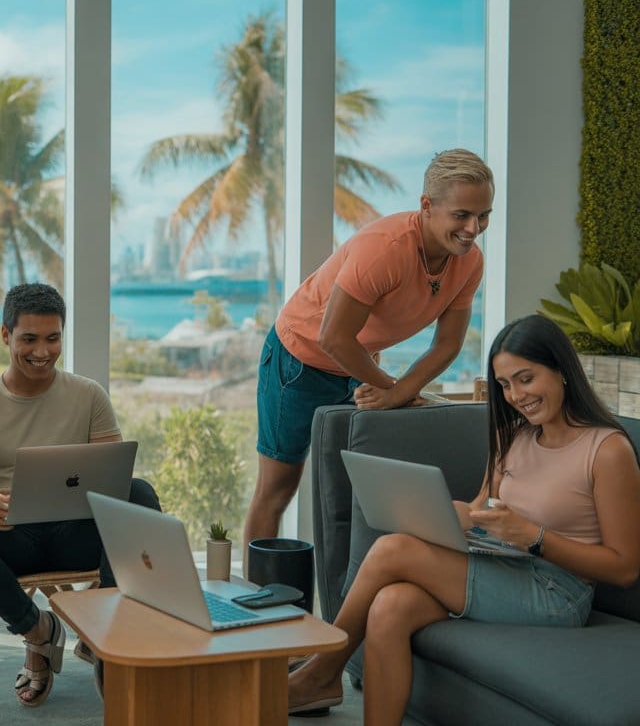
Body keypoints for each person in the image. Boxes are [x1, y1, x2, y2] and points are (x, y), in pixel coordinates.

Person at [288, 314, 640, 721]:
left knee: (392, 550)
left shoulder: (608, 450)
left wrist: (534, 537)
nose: (515, 395)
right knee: (391, 605)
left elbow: (625, 567)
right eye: (505, 384)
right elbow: (482, 508)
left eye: (526, 379)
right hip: (504, 562)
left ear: (561, 371)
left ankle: (323, 670)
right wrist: (456, 516)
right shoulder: (514, 436)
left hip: (558, 592)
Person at [243, 148, 495, 561]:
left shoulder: (469, 263)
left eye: (483, 216)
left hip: (358, 363)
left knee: (356, 492)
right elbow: (333, 337)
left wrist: (398, 392)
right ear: (427, 206)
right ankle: (257, 607)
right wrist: (392, 390)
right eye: (462, 215)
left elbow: (448, 344)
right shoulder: (386, 248)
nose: (474, 228)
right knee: (277, 489)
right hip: (298, 360)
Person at [0, 283, 162, 708]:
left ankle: (106, 634)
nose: (43, 351)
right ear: (6, 336)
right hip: (11, 539)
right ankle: (39, 632)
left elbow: (114, 478)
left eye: (53, 338)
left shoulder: (88, 395)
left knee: (139, 494)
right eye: (29, 339)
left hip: (75, 535)